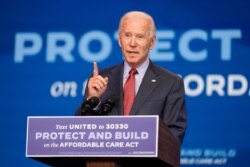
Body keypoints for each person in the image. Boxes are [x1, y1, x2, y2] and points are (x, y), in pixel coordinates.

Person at [76, 11, 187, 145]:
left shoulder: (171, 83)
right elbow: (80, 132)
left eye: (140, 36)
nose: (132, 43)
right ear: (119, 40)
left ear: (151, 42)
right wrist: (92, 99)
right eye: (127, 35)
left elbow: (174, 136)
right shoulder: (100, 80)